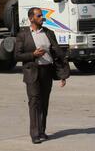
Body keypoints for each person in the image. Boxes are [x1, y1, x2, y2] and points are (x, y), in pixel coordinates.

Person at [15, 7, 70, 144]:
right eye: (39, 16)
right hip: (32, 72)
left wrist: (63, 74)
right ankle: (34, 134)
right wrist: (32, 55)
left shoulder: (49, 33)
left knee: (44, 102)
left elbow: (58, 55)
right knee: (34, 101)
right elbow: (16, 55)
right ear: (31, 18)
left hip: (47, 71)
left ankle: (42, 131)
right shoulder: (23, 35)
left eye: (42, 16)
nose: (42, 18)